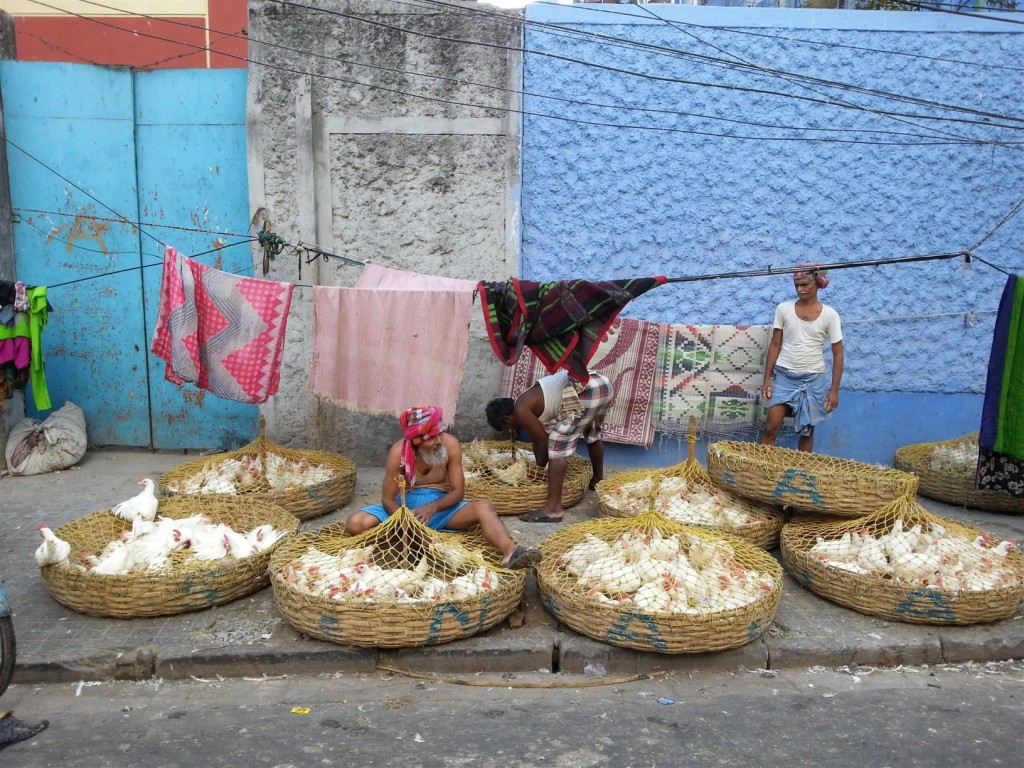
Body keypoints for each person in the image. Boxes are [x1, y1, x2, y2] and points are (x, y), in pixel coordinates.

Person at [345, 406, 541, 570]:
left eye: (439, 433)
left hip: (443, 508)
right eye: (431, 438)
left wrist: (432, 508)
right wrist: (408, 522)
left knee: (483, 507)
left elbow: (458, 492)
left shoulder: (450, 444)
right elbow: (388, 499)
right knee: (356, 522)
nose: (439, 440)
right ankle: (416, 538)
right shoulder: (399, 453)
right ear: (416, 440)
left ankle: (511, 552)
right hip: (406, 508)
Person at [485, 369, 613, 523]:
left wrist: (537, 472)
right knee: (592, 434)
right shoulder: (523, 401)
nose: (511, 430)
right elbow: (537, 441)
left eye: (507, 427)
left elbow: (545, 442)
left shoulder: (520, 411)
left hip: (587, 391)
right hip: (601, 383)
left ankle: (553, 509)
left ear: (507, 418)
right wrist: (538, 467)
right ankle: (597, 480)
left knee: (556, 442)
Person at [760, 264, 844, 453]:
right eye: (796, 285)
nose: (800, 289)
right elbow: (775, 345)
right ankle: (763, 473)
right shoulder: (783, 309)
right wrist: (767, 379)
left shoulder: (830, 315)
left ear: (817, 284)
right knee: (771, 427)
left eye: (804, 284)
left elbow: (838, 354)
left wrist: (834, 390)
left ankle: (801, 475)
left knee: (806, 432)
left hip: (813, 379)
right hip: (784, 377)